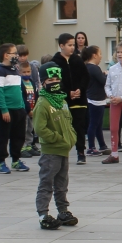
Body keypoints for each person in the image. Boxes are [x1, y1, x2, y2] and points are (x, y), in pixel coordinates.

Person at [33, 62, 79, 229]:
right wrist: (56, 138)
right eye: (50, 80)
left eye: (57, 79)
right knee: (46, 182)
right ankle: (43, 215)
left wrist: (71, 136)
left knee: (62, 183)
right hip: (51, 151)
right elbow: (40, 128)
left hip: (63, 149)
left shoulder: (62, 101)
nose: (55, 82)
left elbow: (69, 121)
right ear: (44, 82)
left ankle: (63, 211)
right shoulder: (43, 103)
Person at [51, 33, 90, 164]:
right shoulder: (55, 62)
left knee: (79, 127)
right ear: (61, 46)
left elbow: (85, 77)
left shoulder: (77, 60)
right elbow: (55, 82)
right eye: (69, 45)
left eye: (73, 45)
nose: (72, 47)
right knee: (63, 127)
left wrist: (80, 89)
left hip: (79, 101)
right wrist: (68, 93)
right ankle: (62, 152)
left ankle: (81, 152)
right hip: (63, 101)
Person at [0, 43, 29, 174]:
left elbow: (19, 90)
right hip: (6, 110)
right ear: (6, 55)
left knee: (18, 136)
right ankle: (1, 162)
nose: (17, 56)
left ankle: (16, 160)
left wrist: (23, 107)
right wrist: (4, 109)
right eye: (14, 53)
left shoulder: (15, 70)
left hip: (19, 108)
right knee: (3, 136)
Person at [81, 46, 109, 156]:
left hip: (93, 99)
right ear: (94, 55)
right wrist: (107, 75)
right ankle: (91, 147)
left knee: (98, 124)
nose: (101, 57)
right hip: (95, 100)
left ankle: (102, 145)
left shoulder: (87, 67)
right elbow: (103, 81)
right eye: (100, 54)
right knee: (94, 124)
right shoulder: (94, 68)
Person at [15, 44, 39, 157]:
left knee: (30, 128)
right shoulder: (20, 82)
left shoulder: (32, 81)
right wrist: (28, 109)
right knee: (23, 129)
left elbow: (35, 92)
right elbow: (22, 96)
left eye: (24, 55)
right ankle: (22, 147)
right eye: (20, 55)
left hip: (32, 106)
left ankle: (29, 145)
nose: (22, 58)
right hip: (24, 108)